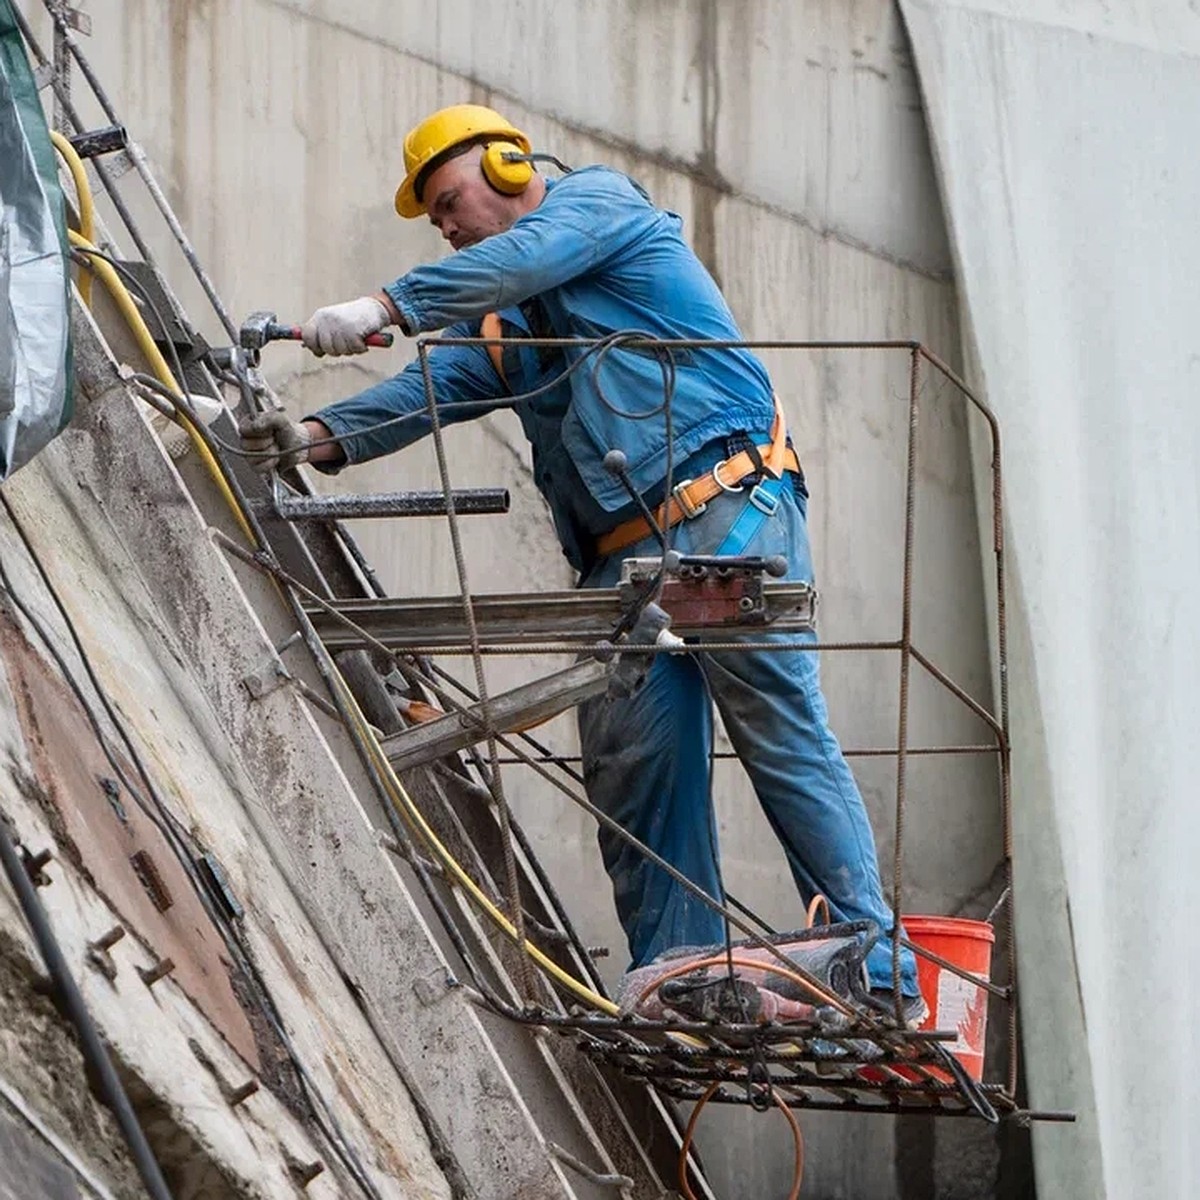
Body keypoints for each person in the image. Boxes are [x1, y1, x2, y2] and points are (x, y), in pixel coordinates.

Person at [241, 104, 924, 1022]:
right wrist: (315, 436)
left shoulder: (602, 207)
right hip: (624, 563)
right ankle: (687, 973)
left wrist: (390, 304)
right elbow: (433, 389)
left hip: (720, 509)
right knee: (634, 758)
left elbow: (519, 257)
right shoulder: (514, 324)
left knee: (773, 722)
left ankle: (874, 968)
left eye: (449, 201)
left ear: (515, 168)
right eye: (435, 217)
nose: (445, 226)